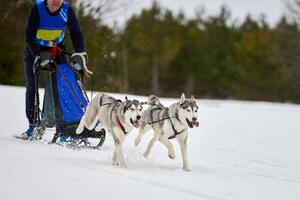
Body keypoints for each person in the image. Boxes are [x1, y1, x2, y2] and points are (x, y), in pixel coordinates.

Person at [22, 0, 86, 138]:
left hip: (56, 49)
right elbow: (29, 35)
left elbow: (76, 33)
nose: (56, 2)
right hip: (35, 49)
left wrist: (79, 53)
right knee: (32, 85)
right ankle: (33, 125)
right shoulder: (38, 8)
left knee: (65, 82)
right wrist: (38, 53)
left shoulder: (67, 10)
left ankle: (66, 126)